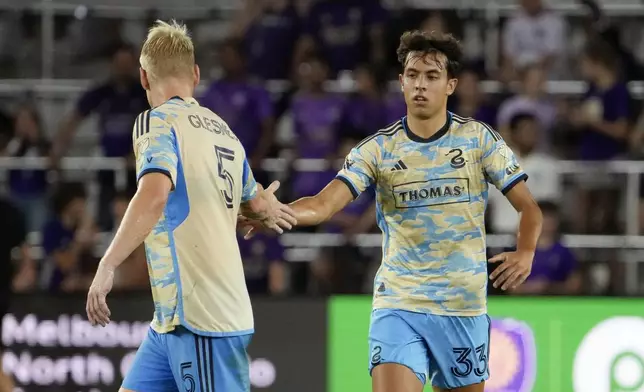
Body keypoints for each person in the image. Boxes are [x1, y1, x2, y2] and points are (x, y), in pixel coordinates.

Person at [242, 30, 543, 392]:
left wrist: (526, 251)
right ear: (401, 82)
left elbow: (528, 207)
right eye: (413, 75)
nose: (420, 85)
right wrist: (276, 212)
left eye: (432, 77)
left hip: (462, 306)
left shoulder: (478, 140)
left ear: (451, 85)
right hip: (400, 301)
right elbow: (323, 205)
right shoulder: (378, 149)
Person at [84, 20, 296, 392]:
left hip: (203, 319)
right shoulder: (225, 132)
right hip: (171, 320)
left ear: (144, 78)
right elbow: (257, 203)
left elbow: (153, 195)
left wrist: (107, 264)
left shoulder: (156, 123)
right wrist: (269, 209)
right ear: (196, 75)